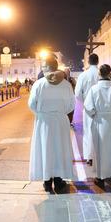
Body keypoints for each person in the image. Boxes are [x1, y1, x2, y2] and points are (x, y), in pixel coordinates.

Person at [28, 56, 75, 192]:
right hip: (60, 121)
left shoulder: (39, 84)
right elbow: (71, 105)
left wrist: (41, 113)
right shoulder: (66, 84)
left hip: (44, 121)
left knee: (45, 149)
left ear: (46, 68)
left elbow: (31, 104)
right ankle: (59, 180)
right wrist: (60, 112)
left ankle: (47, 181)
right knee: (59, 149)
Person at [84, 64, 111, 187]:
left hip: (99, 122)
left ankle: (100, 177)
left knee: (100, 149)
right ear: (109, 74)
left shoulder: (94, 89)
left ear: (99, 74)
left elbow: (88, 107)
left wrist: (95, 115)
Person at [75, 53, 99, 166]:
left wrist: (85, 101)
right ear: (98, 61)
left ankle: (89, 156)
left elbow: (78, 93)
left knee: (88, 132)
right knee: (101, 132)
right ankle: (100, 154)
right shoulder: (102, 73)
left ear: (88, 62)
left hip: (88, 108)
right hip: (102, 109)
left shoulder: (83, 75)